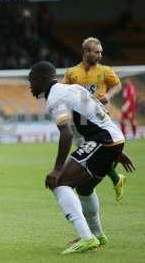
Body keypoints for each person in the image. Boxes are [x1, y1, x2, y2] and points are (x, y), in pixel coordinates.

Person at [28, 61, 135, 254]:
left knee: (60, 183)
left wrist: (57, 169)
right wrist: (118, 147)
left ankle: (87, 237)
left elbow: (66, 133)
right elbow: (99, 113)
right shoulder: (74, 88)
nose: (30, 86)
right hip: (112, 138)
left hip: (103, 141)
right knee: (85, 188)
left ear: (42, 79)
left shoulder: (55, 98)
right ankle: (98, 235)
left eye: (32, 81)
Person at [62, 37, 126, 202]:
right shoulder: (72, 73)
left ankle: (114, 177)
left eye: (101, 52)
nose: (100, 55)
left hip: (100, 118)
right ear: (86, 52)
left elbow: (117, 85)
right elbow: (63, 91)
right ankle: (114, 175)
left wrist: (108, 95)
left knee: (90, 147)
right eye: (97, 52)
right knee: (89, 146)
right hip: (81, 119)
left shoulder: (104, 70)